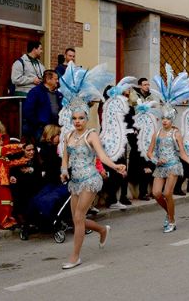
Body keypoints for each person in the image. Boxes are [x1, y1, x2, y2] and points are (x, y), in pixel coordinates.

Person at [61, 108, 126, 269]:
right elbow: (65, 158)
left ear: (86, 119)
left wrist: (115, 166)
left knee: (78, 217)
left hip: (90, 179)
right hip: (75, 181)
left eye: (81, 118)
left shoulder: (91, 135)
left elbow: (102, 156)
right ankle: (102, 230)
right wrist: (63, 172)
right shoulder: (68, 135)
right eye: (74, 118)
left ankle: (75, 257)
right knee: (77, 219)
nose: (77, 121)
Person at [147, 113, 189, 232]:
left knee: (167, 193)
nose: (165, 121)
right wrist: (156, 160)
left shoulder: (176, 134)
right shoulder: (157, 133)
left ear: (172, 120)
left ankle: (172, 221)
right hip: (160, 167)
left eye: (168, 119)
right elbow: (149, 153)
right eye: (163, 118)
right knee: (156, 193)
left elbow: (182, 153)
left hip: (173, 165)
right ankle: (169, 213)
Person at [0, 130, 28, 229]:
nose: (2, 141)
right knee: (3, 202)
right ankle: (3, 221)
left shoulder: (1, 155)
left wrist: (24, 160)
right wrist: (20, 147)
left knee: (9, 201)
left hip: (5, 181)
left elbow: (10, 164)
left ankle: (9, 219)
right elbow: (7, 149)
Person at [10, 139, 43, 225]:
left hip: (33, 185)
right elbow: (13, 171)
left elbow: (39, 174)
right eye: (28, 150)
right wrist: (12, 176)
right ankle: (19, 214)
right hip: (21, 186)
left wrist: (31, 170)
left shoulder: (37, 160)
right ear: (23, 150)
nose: (31, 152)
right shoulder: (18, 160)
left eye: (33, 150)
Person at [23, 70, 63, 141]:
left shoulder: (58, 94)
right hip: (41, 130)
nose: (57, 81)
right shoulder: (35, 92)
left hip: (56, 129)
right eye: (56, 79)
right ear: (48, 79)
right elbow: (28, 110)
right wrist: (39, 124)